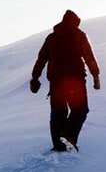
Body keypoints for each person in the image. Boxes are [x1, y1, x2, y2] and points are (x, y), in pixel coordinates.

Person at [30, 9, 100, 152]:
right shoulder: (79, 35)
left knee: (58, 112)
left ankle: (58, 145)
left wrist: (35, 78)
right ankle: (68, 135)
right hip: (75, 80)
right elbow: (89, 56)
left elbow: (41, 59)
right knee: (80, 110)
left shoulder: (52, 37)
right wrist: (96, 76)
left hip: (56, 82)